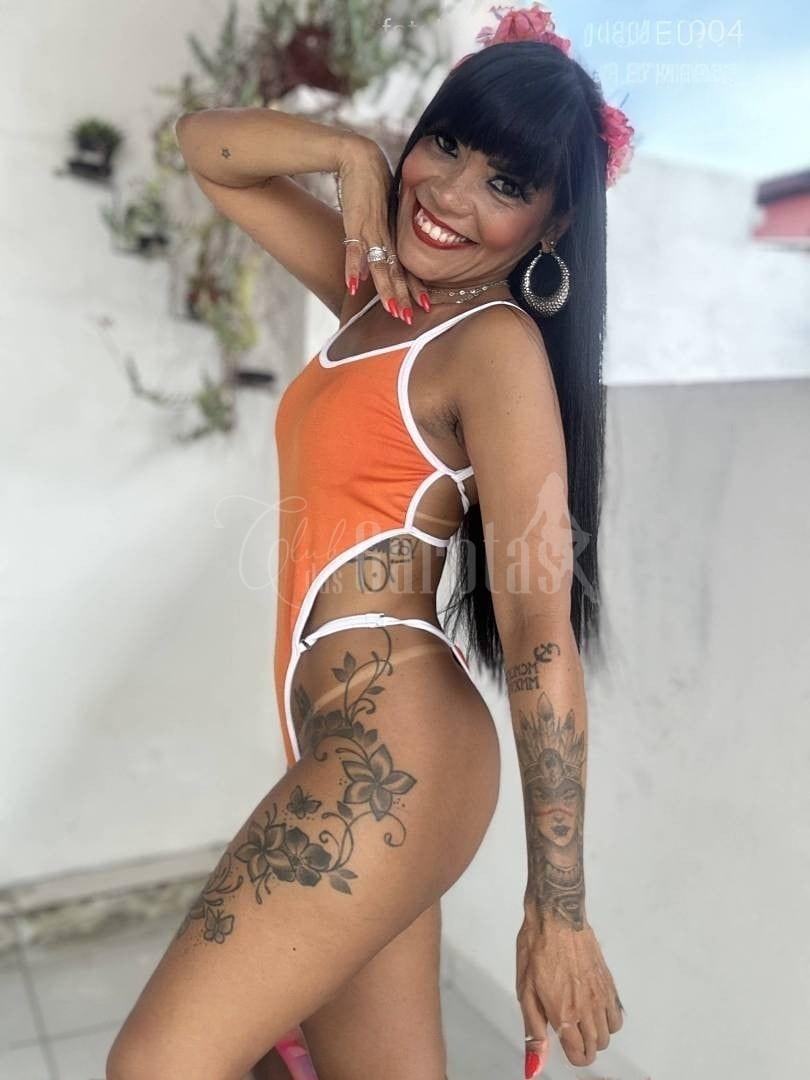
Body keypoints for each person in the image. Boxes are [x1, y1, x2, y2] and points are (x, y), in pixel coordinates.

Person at [106, 6, 633, 1079]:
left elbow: (539, 636)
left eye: (505, 183)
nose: (451, 193)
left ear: (555, 222)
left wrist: (560, 907)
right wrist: (351, 152)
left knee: (154, 1066)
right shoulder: (376, 302)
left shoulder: (491, 347)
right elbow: (207, 150)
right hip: (346, 747)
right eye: (447, 145)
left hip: (397, 753)